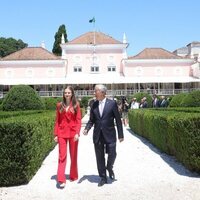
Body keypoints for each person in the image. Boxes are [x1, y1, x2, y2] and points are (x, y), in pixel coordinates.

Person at [83, 84, 124, 187]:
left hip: (110, 134)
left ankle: (109, 167)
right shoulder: (94, 104)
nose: (94, 93)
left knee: (112, 153)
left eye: (96, 91)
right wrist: (87, 129)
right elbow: (91, 120)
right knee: (99, 157)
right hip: (98, 135)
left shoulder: (112, 104)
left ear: (102, 92)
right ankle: (103, 177)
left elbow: (118, 120)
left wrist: (120, 135)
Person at [54, 86, 81, 188]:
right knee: (62, 156)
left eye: (69, 92)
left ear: (72, 94)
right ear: (63, 94)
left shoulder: (76, 105)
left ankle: (73, 175)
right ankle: (61, 179)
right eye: (65, 92)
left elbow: (78, 120)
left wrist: (77, 133)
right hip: (62, 133)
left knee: (73, 156)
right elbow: (57, 120)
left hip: (73, 134)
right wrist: (56, 134)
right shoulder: (59, 105)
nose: (67, 94)